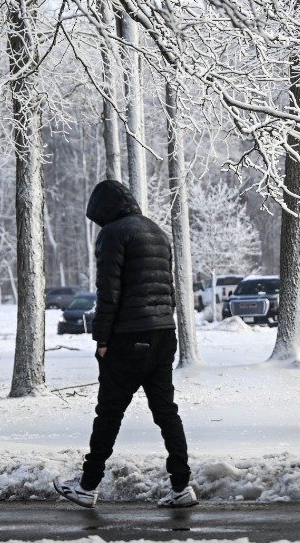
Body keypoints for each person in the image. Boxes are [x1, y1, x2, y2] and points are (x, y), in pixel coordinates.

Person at [54, 180, 197, 509]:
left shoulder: (114, 233)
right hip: (163, 332)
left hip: (129, 337)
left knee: (108, 414)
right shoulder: (157, 232)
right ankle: (182, 486)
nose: (98, 225)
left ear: (105, 209)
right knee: (166, 412)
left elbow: (109, 292)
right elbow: (168, 289)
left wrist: (102, 339)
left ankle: (87, 486)